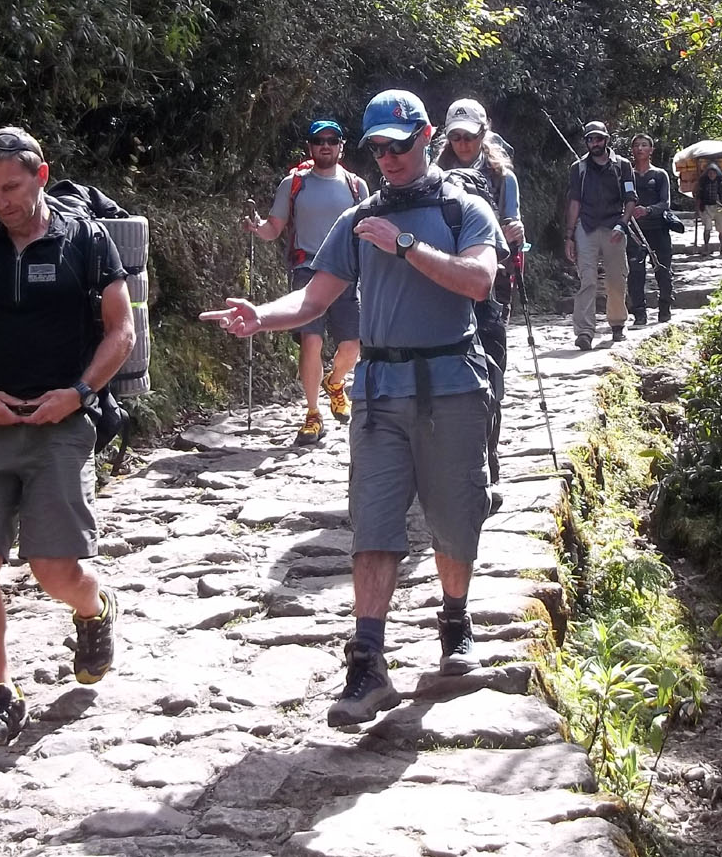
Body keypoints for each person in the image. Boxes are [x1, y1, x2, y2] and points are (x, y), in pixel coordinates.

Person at [203, 90, 501, 728]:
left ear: (426, 136)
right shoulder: (358, 219)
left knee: (455, 518)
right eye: (377, 147)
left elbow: (479, 281)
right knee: (374, 526)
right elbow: (314, 300)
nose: (387, 157)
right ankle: (367, 663)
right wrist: (261, 317)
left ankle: (455, 620)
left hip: (452, 384)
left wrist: (405, 245)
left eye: (398, 144)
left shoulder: (463, 208)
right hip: (379, 393)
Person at [0, 127, 135, 751]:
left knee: (54, 569)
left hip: (62, 421)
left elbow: (121, 330)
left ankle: (93, 609)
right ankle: (2, 694)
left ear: (41, 175)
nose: (1, 201)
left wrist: (77, 394)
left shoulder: (87, 239)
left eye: (12, 187)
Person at [244, 119, 369, 445]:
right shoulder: (294, 184)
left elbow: (365, 233)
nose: (325, 145)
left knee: (352, 345)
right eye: (318, 140)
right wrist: (257, 227)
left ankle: (335, 382)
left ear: (341, 146)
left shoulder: (357, 186)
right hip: (306, 269)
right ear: (310, 147)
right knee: (311, 341)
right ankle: (313, 414)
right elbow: (274, 228)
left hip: (345, 272)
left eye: (332, 140)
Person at [435, 98, 522, 501]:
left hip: (491, 285)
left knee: (489, 369)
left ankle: (487, 455)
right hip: (442, 283)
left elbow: (513, 223)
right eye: (456, 137)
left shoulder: (503, 178)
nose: (463, 144)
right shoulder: (432, 175)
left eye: (469, 136)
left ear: (483, 134)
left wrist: (515, 233)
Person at [565, 121, 635, 350]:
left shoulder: (622, 165)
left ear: (606, 139)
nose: (595, 143)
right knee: (587, 279)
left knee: (616, 278)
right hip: (586, 227)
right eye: (590, 139)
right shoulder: (579, 168)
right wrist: (569, 235)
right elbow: (574, 202)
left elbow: (630, 198)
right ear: (586, 142)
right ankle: (584, 332)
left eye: (598, 139)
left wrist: (623, 224)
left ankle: (617, 323)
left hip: (614, 227)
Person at [626, 133, 675, 325]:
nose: (640, 148)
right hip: (635, 232)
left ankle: (665, 308)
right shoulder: (627, 175)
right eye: (636, 145)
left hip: (658, 229)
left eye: (644, 145)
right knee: (635, 273)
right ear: (632, 150)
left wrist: (647, 210)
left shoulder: (660, 175)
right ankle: (639, 313)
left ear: (651, 150)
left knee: (663, 270)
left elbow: (665, 203)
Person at [696, 162, 722, 257]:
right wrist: (698, 208)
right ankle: (706, 248)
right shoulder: (703, 184)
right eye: (710, 173)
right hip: (707, 207)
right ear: (707, 174)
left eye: (713, 173)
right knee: (707, 228)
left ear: (717, 174)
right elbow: (698, 196)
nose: (711, 175)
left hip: (721, 207)